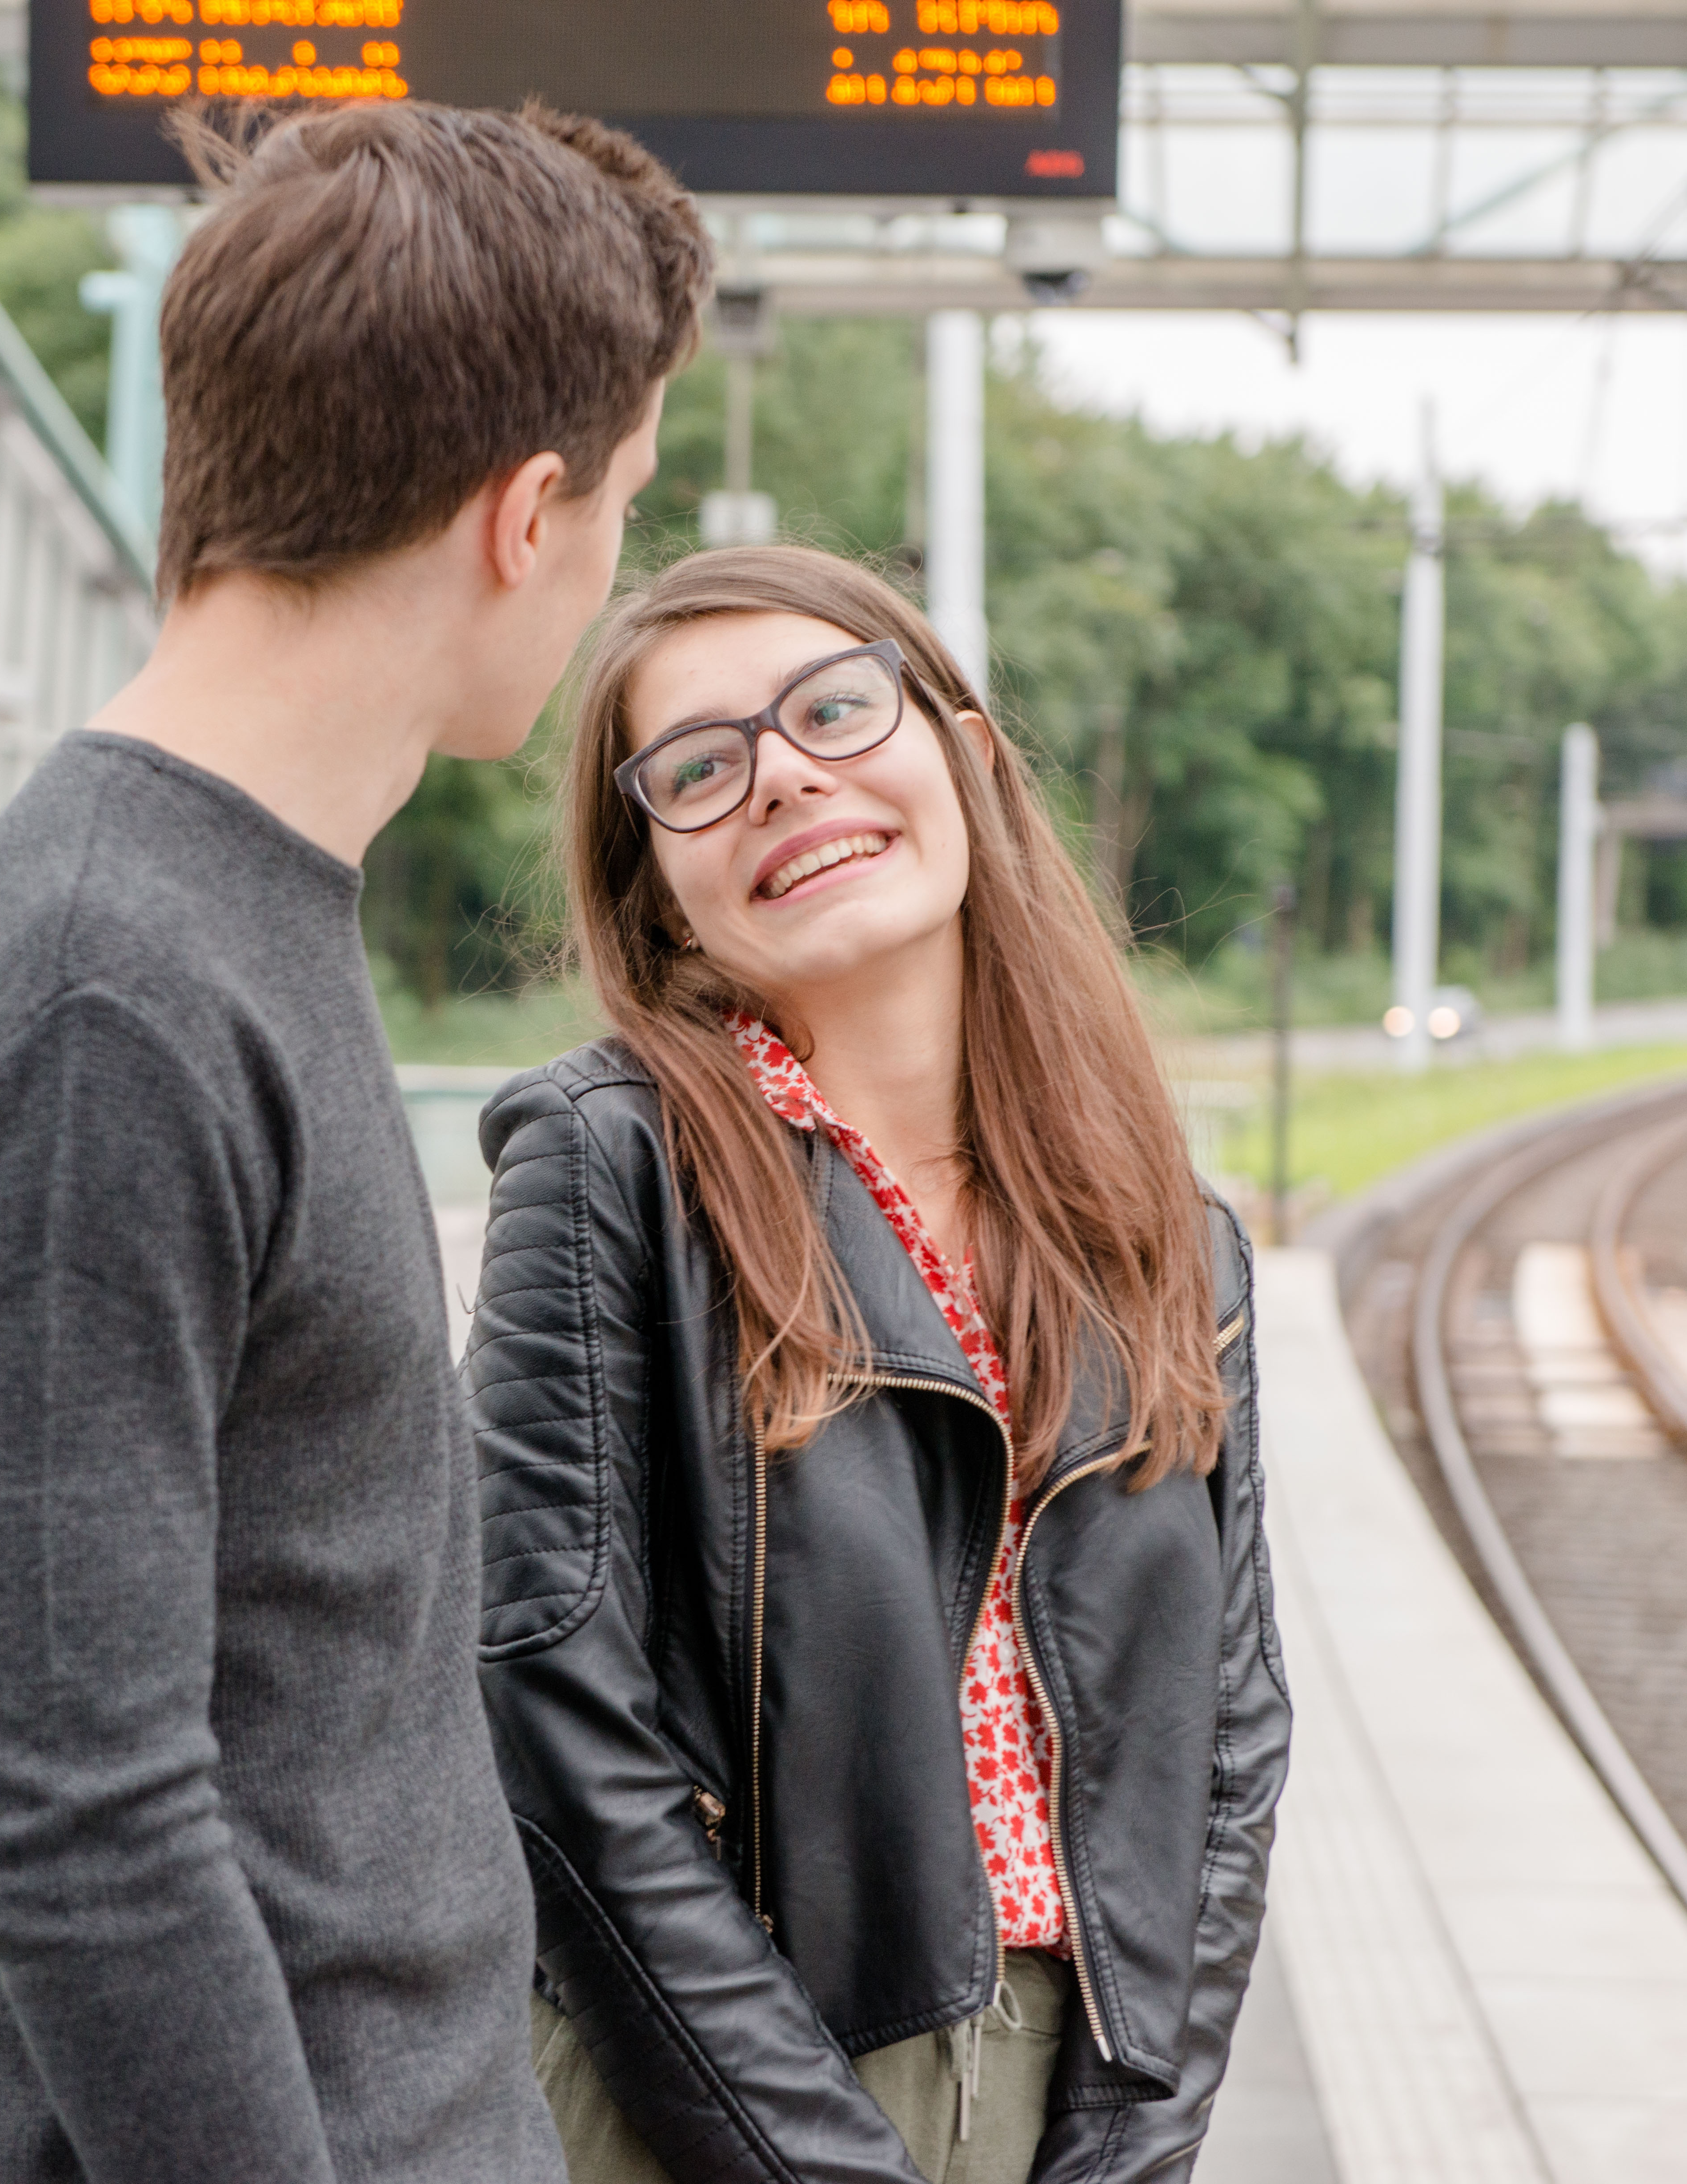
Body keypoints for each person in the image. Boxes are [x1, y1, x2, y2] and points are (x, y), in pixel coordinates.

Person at [0, 103, 711, 2184]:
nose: (603, 582)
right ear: (524, 515)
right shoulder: (104, 996)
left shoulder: (229, 912)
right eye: (623, 513)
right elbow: (80, 1819)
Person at [465, 545, 1289, 2184]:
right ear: (658, 885)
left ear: (967, 761)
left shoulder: (1167, 1236)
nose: (783, 775)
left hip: (1077, 2081)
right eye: (700, 768)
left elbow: (1231, 1728)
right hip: (709, 2097)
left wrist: (1139, 2135)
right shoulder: (611, 1170)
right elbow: (556, 1720)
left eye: (838, 707)